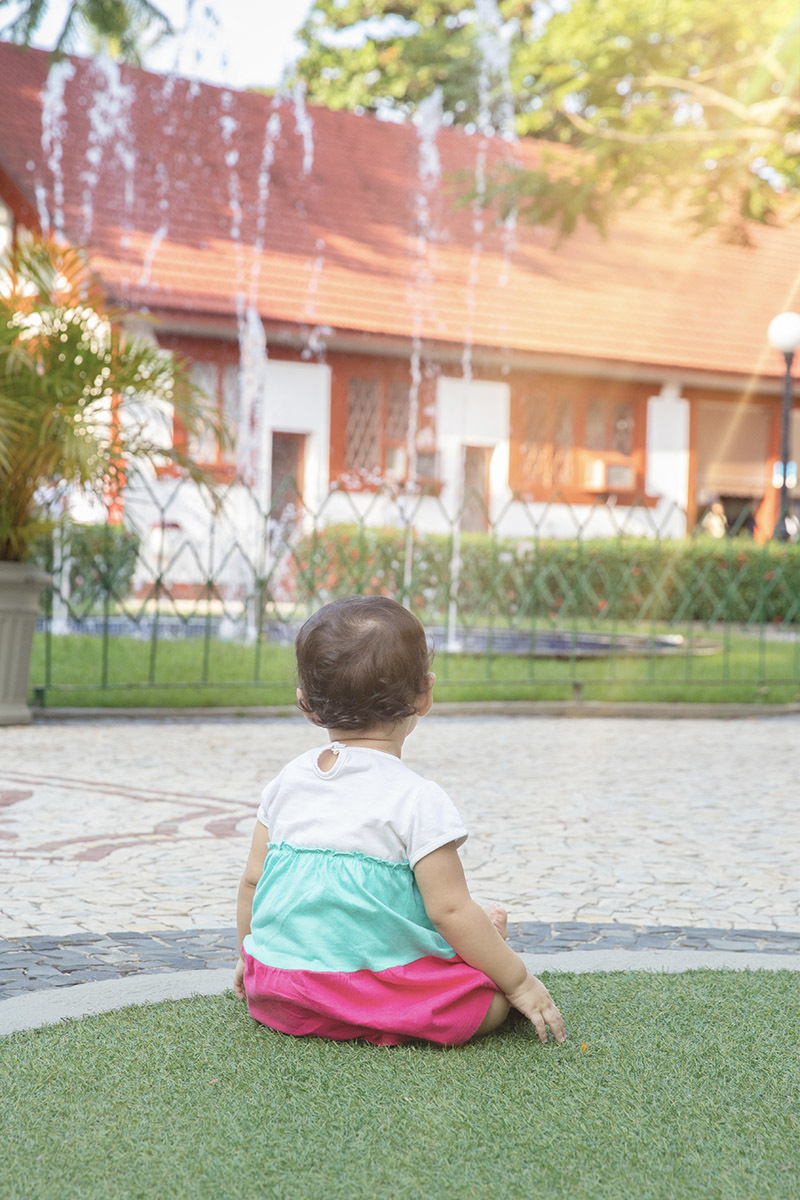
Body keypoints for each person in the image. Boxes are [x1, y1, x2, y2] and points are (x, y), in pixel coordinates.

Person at [234, 595, 566, 1048]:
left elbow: (252, 882)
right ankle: (473, 955)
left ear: (306, 703)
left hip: (278, 993)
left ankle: (461, 953)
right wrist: (520, 983)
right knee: (490, 1002)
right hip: (362, 988)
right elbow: (450, 911)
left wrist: (250, 957)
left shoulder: (286, 782)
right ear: (424, 694)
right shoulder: (417, 799)